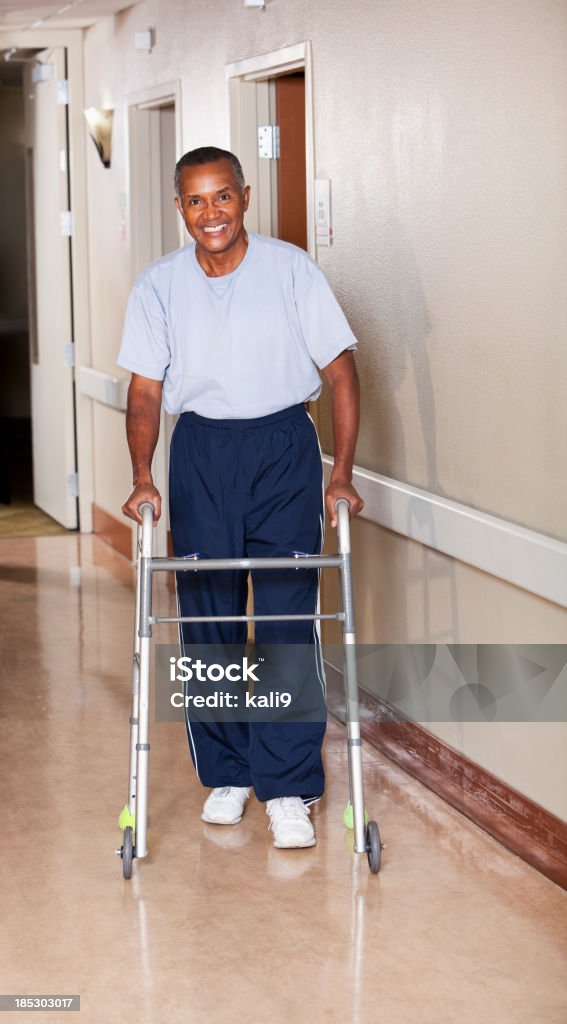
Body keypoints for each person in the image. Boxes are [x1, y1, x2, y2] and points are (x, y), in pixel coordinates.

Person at [118, 146, 363, 849]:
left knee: (286, 619)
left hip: (284, 447)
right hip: (200, 454)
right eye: (195, 201)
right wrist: (144, 473)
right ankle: (227, 772)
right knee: (208, 618)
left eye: (221, 196)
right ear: (179, 209)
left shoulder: (291, 271)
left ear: (244, 197)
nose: (210, 213)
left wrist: (339, 471)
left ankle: (288, 787)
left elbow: (340, 373)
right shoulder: (158, 285)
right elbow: (144, 392)